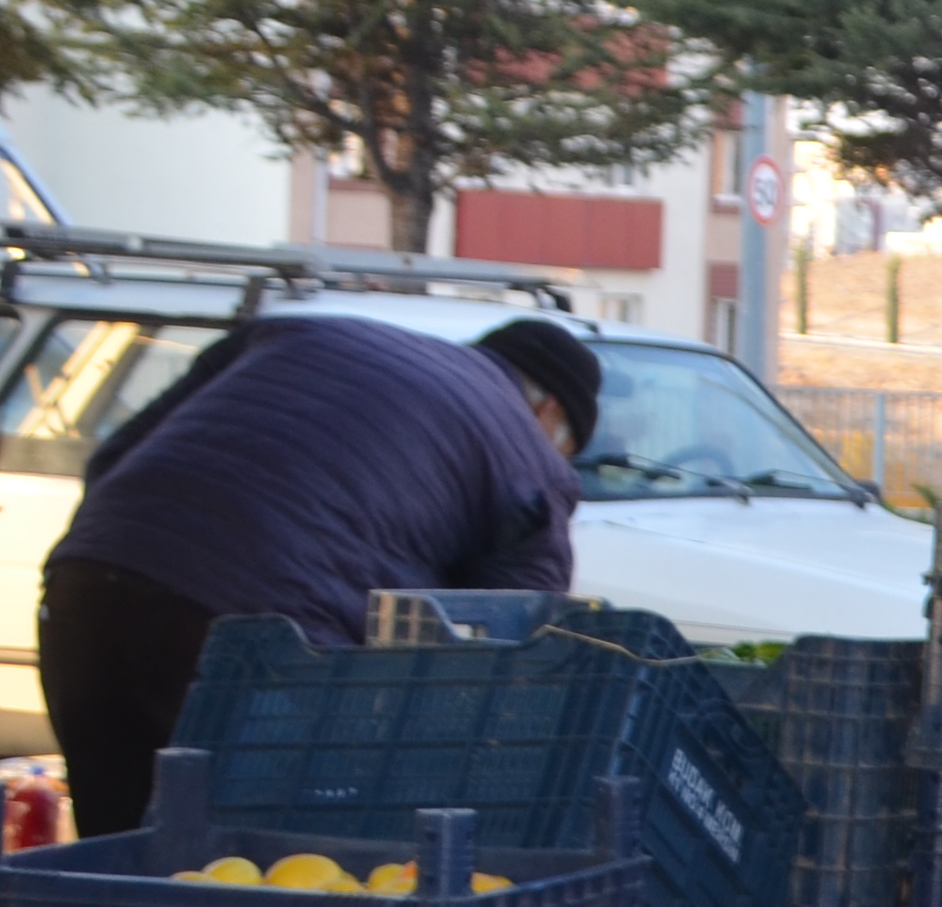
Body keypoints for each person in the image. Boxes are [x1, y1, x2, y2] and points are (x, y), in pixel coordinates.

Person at [39, 309, 593, 834]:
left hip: (89, 580)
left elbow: (114, 458)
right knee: (253, 869)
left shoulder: (295, 334)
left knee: (109, 859)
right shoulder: (528, 453)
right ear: (549, 414)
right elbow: (513, 637)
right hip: (258, 637)